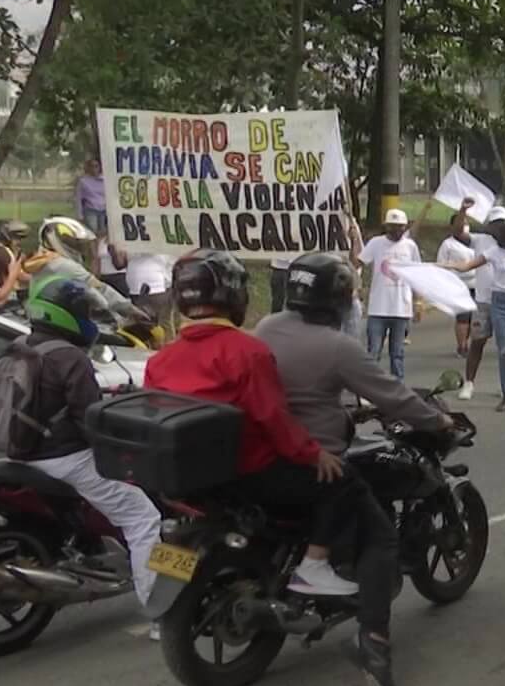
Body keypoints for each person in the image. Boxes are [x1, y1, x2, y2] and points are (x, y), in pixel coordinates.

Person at [143, 253, 381, 639]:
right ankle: (314, 566)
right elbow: (273, 417)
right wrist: (314, 453)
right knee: (344, 480)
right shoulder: (246, 351)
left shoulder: (162, 358)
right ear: (234, 296)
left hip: (194, 479)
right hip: (251, 471)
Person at [254, 253, 454, 686]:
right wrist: (438, 422)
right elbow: (393, 395)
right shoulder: (337, 346)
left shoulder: (267, 328)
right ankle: (374, 640)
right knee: (381, 537)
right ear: (339, 299)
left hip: (264, 456)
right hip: (315, 460)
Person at [1, 277, 165, 637]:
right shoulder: (70, 357)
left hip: (24, 455)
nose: (90, 319)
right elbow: (89, 418)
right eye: (86, 313)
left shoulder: (20, 346)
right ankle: (161, 616)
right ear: (70, 316)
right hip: (64, 458)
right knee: (142, 517)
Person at [443, 213, 505, 412]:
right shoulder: (494, 252)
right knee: (504, 351)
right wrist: (447, 265)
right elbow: (468, 265)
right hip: (499, 303)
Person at [22, 215, 144, 329]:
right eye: (73, 242)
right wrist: (131, 309)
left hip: (45, 318)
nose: (78, 247)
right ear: (57, 242)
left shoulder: (44, 261)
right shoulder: (64, 265)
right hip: (62, 322)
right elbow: (100, 288)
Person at [358, 208, 421, 379]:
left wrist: (417, 302)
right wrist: (352, 238)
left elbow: (417, 275)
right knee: (373, 352)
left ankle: (397, 387)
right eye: (393, 227)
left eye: (400, 227)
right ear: (386, 227)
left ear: (405, 227)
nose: (397, 230)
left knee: (397, 353)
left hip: (401, 308)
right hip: (378, 308)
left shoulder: (410, 246)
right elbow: (359, 261)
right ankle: (370, 387)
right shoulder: (376, 243)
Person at [436, 210, 477, 359]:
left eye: (466, 223)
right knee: (463, 317)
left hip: (476, 284)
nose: (464, 226)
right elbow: (441, 264)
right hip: (458, 284)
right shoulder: (448, 245)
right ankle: (462, 346)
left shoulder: (475, 241)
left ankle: (472, 344)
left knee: (475, 318)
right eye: (461, 223)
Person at [75, 157, 108, 235]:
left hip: (103, 210)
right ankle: (92, 246)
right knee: (93, 232)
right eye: (92, 166)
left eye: (96, 166)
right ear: (88, 168)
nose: (94, 169)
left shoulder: (104, 180)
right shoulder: (83, 181)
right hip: (91, 210)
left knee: (102, 232)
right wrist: (80, 216)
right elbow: (78, 199)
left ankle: (100, 247)